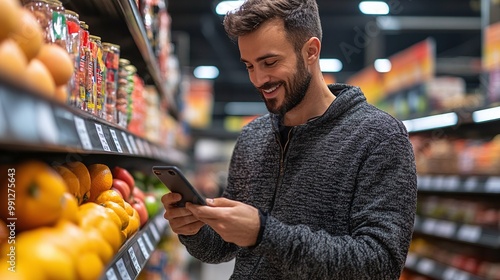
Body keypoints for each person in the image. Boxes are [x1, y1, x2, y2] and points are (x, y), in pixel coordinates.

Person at [161, 0, 417, 279]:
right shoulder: (252, 137)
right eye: (249, 66)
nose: (259, 79)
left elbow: (380, 265)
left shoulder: (379, 137)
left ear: (311, 51)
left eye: (269, 62)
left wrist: (264, 233)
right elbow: (222, 248)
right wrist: (195, 229)